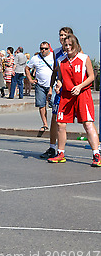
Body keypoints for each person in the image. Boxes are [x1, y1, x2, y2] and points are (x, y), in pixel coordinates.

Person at [49, 34, 100, 167]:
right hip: (66, 96)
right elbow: (60, 77)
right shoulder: (61, 60)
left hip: (82, 94)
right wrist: (58, 84)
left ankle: (96, 154)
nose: (68, 47)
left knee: (87, 124)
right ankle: (60, 153)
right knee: (60, 123)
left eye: (70, 45)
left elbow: (91, 76)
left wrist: (80, 86)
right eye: (66, 45)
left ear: (76, 45)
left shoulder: (84, 58)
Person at [41, 27, 74, 159]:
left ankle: (96, 150)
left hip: (73, 89)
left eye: (64, 35)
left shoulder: (76, 51)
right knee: (56, 119)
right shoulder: (57, 52)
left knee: (86, 122)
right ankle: (53, 148)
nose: (62, 37)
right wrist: (50, 87)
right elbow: (55, 71)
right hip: (59, 90)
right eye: (60, 35)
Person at [25, 42, 54, 132]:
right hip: (40, 85)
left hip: (52, 85)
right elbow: (27, 68)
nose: (43, 50)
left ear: (49, 49)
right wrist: (30, 80)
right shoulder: (35, 58)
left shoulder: (54, 56)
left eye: (45, 48)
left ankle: (56, 124)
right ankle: (45, 124)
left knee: (54, 104)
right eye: (42, 48)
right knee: (41, 105)